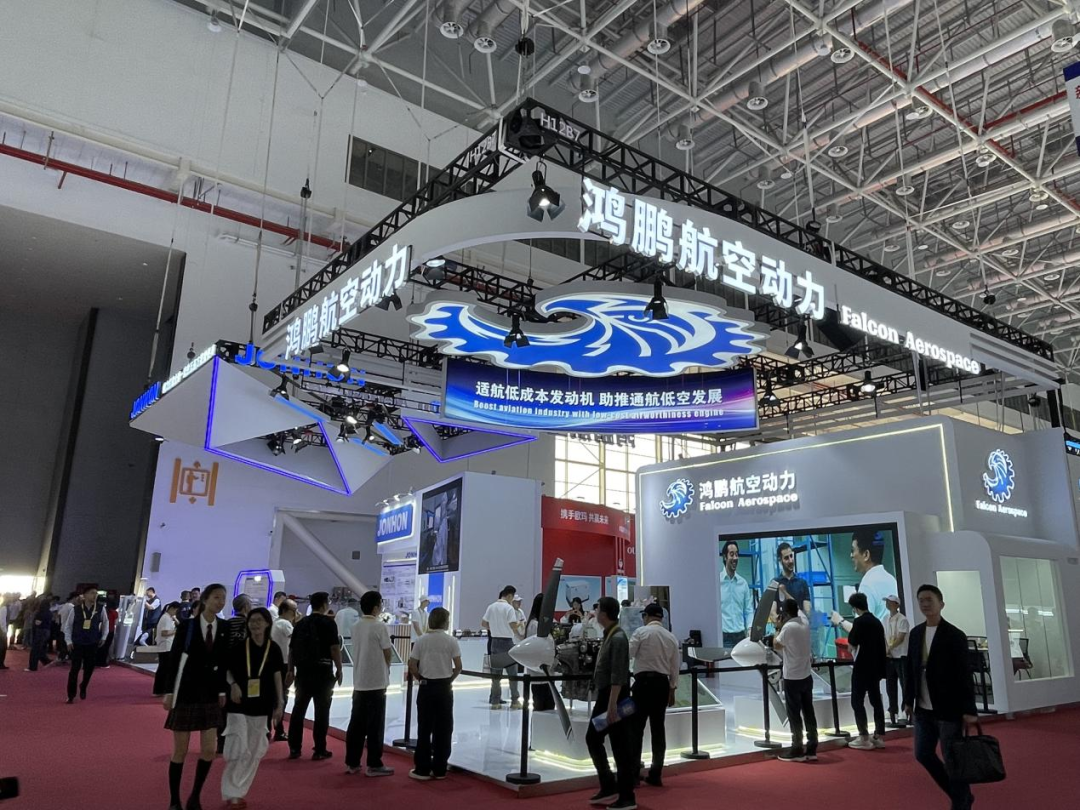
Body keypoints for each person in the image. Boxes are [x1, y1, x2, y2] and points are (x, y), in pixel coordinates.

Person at [903, 584, 978, 810]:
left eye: (929, 600)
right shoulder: (916, 634)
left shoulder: (955, 635)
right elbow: (910, 668)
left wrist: (969, 709)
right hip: (923, 708)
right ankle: (961, 795)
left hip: (948, 707)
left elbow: (964, 674)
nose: (925, 604)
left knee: (952, 757)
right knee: (923, 754)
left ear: (941, 604)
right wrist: (908, 699)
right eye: (921, 600)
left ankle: (960, 803)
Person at [162, 583, 230, 810]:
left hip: (210, 694)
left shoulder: (224, 627)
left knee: (209, 750)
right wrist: (169, 691)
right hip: (186, 692)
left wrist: (222, 690)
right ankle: (174, 800)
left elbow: (223, 661)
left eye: (223, 598)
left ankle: (195, 795)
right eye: (216, 597)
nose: (220, 602)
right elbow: (174, 660)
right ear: (205, 599)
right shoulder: (188, 626)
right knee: (180, 750)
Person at [221, 607, 285, 807]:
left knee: (255, 750)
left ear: (267, 623)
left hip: (262, 704)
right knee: (238, 748)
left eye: (259, 620)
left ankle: (239, 791)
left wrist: (280, 703)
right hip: (238, 704)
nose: (255, 624)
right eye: (252, 621)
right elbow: (227, 670)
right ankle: (231, 792)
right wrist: (233, 685)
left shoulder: (273, 648)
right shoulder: (240, 647)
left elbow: (277, 676)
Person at [586, 597, 636, 810]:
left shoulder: (617, 638)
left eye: (597, 609)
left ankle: (626, 796)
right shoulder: (611, 635)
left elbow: (618, 674)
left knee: (619, 745)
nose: (595, 612)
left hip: (614, 697)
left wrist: (612, 704)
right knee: (597, 739)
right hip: (608, 697)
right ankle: (609, 784)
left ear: (604, 613)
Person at [629, 602, 680, 787]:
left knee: (636, 729)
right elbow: (675, 667)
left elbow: (629, 653)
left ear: (646, 616)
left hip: (642, 684)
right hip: (662, 685)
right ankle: (656, 773)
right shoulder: (671, 637)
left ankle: (633, 773)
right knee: (658, 729)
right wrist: (672, 689)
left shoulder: (640, 633)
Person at [287, 591, 343, 760]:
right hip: (323, 671)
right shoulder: (329, 623)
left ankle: (294, 748)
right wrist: (339, 668)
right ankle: (319, 749)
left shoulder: (301, 623)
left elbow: (291, 649)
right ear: (325, 604)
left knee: (298, 709)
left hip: (303, 671)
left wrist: (290, 670)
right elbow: (334, 648)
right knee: (322, 711)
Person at [408, 606, 462, 781]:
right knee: (444, 728)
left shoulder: (421, 640)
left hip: (427, 686)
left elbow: (412, 664)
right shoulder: (451, 641)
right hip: (444, 687)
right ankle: (440, 768)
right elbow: (458, 666)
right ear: (445, 622)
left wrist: (420, 678)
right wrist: (449, 679)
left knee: (424, 727)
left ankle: (422, 768)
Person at [345, 590, 394, 777]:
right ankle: (374, 763)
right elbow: (387, 651)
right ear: (375, 607)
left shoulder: (356, 626)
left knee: (356, 725)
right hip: (376, 682)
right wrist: (387, 668)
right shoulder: (379, 626)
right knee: (375, 726)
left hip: (359, 681)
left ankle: (352, 762)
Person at [774, 598, 818, 763]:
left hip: (792, 677)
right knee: (809, 712)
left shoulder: (788, 628)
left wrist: (777, 627)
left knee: (794, 714)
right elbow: (799, 610)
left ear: (784, 614)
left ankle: (797, 747)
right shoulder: (804, 623)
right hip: (806, 675)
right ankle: (812, 747)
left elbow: (776, 644)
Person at [843, 592, 888, 750]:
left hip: (862, 666)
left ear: (855, 608)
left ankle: (863, 736)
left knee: (857, 701)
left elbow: (851, 644)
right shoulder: (877, 622)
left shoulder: (859, 622)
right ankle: (878, 735)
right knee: (876, 701)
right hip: (876, 667)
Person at [62, 586, 108, 701]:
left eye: (96, 593)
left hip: (92, 642)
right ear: (85, 595)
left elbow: (106, 623)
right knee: (74, 669)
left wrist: (104, 637)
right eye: (92, 593)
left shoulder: (101, 609)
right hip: (77, 643)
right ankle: (71, 695)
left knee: (89, 668)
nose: (95, 595)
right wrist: (68, 641)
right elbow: (68, 626)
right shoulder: (76, 609)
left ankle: (84, 685)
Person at [480, 585, 522, 709]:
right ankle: (515, 701)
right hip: (507, 643)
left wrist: (494, 628)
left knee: (496, 675)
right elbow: (513, 626)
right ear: (509, 595)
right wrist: (519, 624)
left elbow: (483, 623)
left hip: (494, 642)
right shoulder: (509, 608)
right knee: (512, 674)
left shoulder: (491, 607)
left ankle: (495, 701)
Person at [850, 531, 898, 621]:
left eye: (853, 550)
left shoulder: (867, 584)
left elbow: (862, 627)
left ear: (866, 554)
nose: (851, 555)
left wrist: (840, 621)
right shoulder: (891, 579)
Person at [271, 599, 298, 741]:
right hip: (284, 664)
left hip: (275, 664)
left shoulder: (275, 622)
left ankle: (274, 728)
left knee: (276, 697)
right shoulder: (285, 624)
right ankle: (279, 729)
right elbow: (296, 639)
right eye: (294, 610)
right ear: (287, 611)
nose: (296, 613)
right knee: (281, 697)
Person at [524, 593, 554, 711]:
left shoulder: (533, 624)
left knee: (545, 704)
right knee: (542, 705)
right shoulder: (535, 625)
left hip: (541, 673)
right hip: (540, 673)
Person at [720, 540, 753, 647]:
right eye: (732, 554)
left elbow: (748, 610)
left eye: (737, 554)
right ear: (725, 557)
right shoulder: (717, 583)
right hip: (724, 637)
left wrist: (750, 628)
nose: (735, 558)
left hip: (741, 636)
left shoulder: (743, 583)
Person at [884, 594, 910, 726]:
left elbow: (901, 637)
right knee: (890, 685)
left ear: (897, 604)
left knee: (904, 684)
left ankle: (905, 710)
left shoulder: (902, 619)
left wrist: (890, 648)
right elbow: (884, 636)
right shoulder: (885, 619)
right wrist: (886, 649)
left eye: (890, 602)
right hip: (890, 657)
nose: (888, 604)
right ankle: (892, 710)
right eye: (887, 602)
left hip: (901, 656)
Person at [772, 542, 811, 618]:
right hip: (783, 625)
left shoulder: (802, 583)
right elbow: (772, 613)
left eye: (791, 556)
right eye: (786, 558)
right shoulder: (774, 583)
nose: (790, 561)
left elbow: (807, 611)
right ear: (780, 560)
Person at [153, 602, 181, 696]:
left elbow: (179, 624)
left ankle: (160, 689)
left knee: (164, 668)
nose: (176, 613)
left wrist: (175, 619)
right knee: (164, 669)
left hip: (166, 646)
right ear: (172, 609)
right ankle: (159, 689)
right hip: (165, 646)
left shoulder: (168, 617)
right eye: (176, 611)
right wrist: (175, 631)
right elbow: (164, 633)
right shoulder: (166, 618)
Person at [26, 595, 54, 672]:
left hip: (40, 631)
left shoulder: (40, 613)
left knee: (35, 649)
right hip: (47, 631)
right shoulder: (49, 613)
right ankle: (45, 661)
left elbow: (37, 623)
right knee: (40, 648)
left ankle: (33, 666)